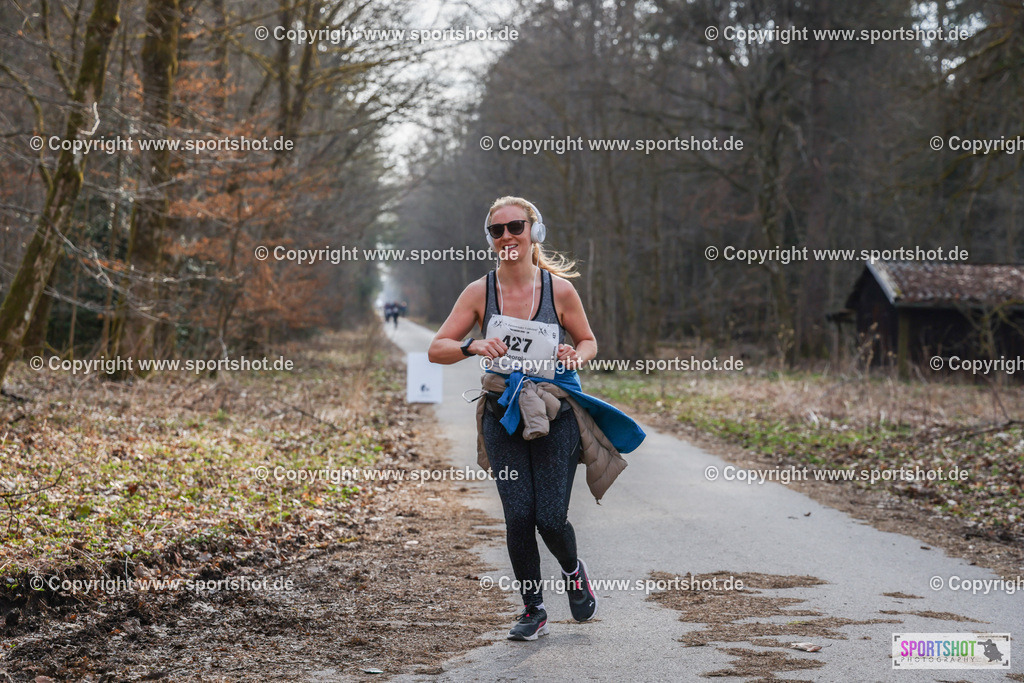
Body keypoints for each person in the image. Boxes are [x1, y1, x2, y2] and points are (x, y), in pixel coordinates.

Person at [428, 196, 644, 641]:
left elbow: (588, 341)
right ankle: (534, 609)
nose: (507, 236)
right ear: (490, 239)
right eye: (497, 230)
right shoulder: (479, 292)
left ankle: (573, 570)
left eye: (515, 227)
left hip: (555, 414)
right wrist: (473, 346)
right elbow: (437, 349)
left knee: (549, 517)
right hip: (503, 415)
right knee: (518, 517)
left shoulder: (559, 290)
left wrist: (572, 352)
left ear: (534, 232)